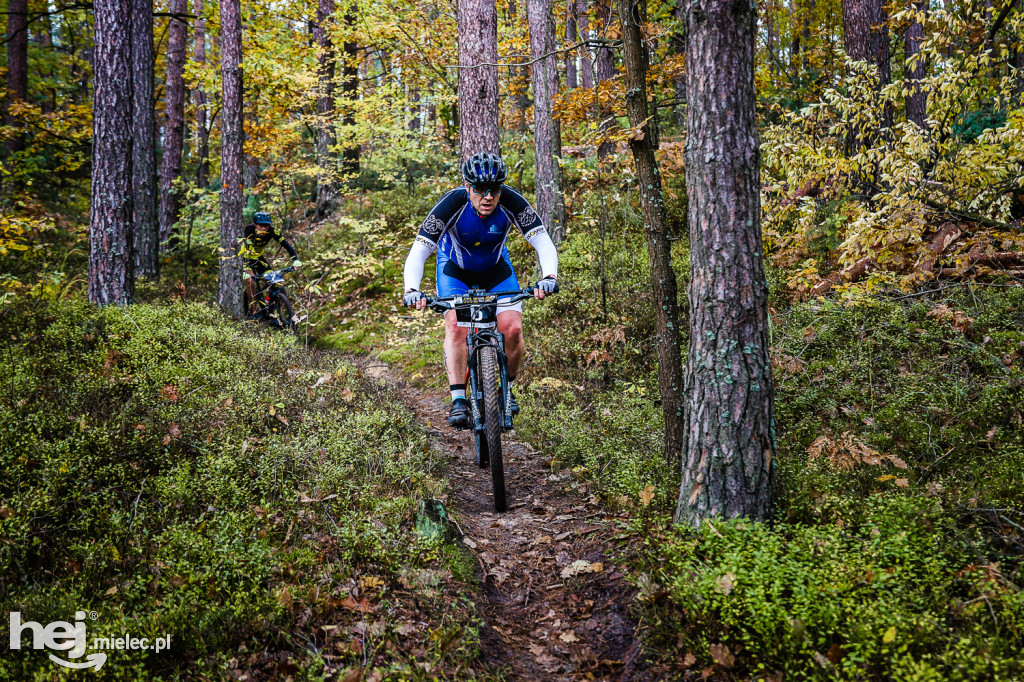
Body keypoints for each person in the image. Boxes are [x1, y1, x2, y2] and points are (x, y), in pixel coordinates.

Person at [402, 152, 559, 429]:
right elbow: (420, 250)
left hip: (497, 270)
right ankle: (459, 400)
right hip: (455, 271)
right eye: (479, 190)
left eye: (494, 190)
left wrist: (548, 276)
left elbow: (543, 241)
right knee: (456, 326)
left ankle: (506, 391)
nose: (487, 196)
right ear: (467, 186)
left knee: (512, 329)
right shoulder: (451, 204)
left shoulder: (511, 201)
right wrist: (412, 289)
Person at [242, 212, 302, 317]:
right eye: (261, 225)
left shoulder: (272, 231)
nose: (264, 228)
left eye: (266, 225)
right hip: (246, 260)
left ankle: (271, 309)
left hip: (259, 259)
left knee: (273, 281)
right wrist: (245, 271)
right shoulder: (248, 231)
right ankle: (254, 312)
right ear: (255, 224)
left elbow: (286, 245)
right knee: (250, 281)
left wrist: (295, 259)